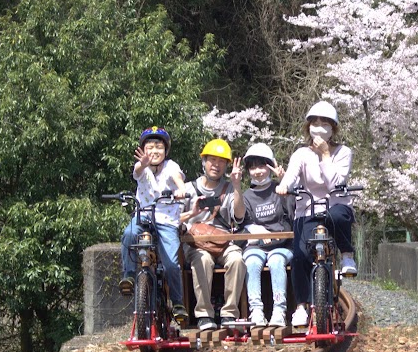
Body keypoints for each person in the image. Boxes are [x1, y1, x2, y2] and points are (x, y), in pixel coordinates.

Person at [276, 101, 356, 327]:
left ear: (333, 129)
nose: (319, 128)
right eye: (315, 123)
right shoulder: (301, 153)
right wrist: (284, 185)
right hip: (307, 209)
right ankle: (301, 306)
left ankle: (347, 254)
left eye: (325, 124)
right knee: (300, 255)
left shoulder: (343, 153)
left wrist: (325, 155)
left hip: (334, 205)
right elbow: (291, 175)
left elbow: (335, 183)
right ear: (308, 126)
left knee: (340, 216)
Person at [119, 126, 188, 322]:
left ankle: (177, 302)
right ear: (143, 150)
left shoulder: (171, 166)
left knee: (171, 264)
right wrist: (143, 164)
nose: (154, 151)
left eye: (159, 146)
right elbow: (138, 171)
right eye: (150, 146)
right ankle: (129, 275)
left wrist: (181, 190)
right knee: (129, 234)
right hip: (144, 216)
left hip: (166, 220)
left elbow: (178, 179)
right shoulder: (142, 167)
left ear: (165, 151)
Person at [181, 138, 246, 331]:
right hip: (195, 243)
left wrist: (236, 186)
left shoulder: (228, 188)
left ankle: (229, 313)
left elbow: (240, 216)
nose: (216, 165)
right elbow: (174, 218)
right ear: (204, 161)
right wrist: (192, 214)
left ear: (226, 165)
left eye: (221, 161)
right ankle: (204, 315)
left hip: (221, 241)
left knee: (237, 259)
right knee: (203, 260)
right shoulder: (187, 189)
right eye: (212, 160)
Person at [241, 143, 294, 327]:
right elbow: (243, 222)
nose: (257, 171)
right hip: (256, 246)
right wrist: (256, 230)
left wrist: (286, 182)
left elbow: (293, 212)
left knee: (276, 261)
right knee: (252, 262)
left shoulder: (280, 189)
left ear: (270, 166)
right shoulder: (246, 195)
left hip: (281, 244)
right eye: (253, 167)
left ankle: (279, 309)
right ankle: (256, 310)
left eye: (262, 166)